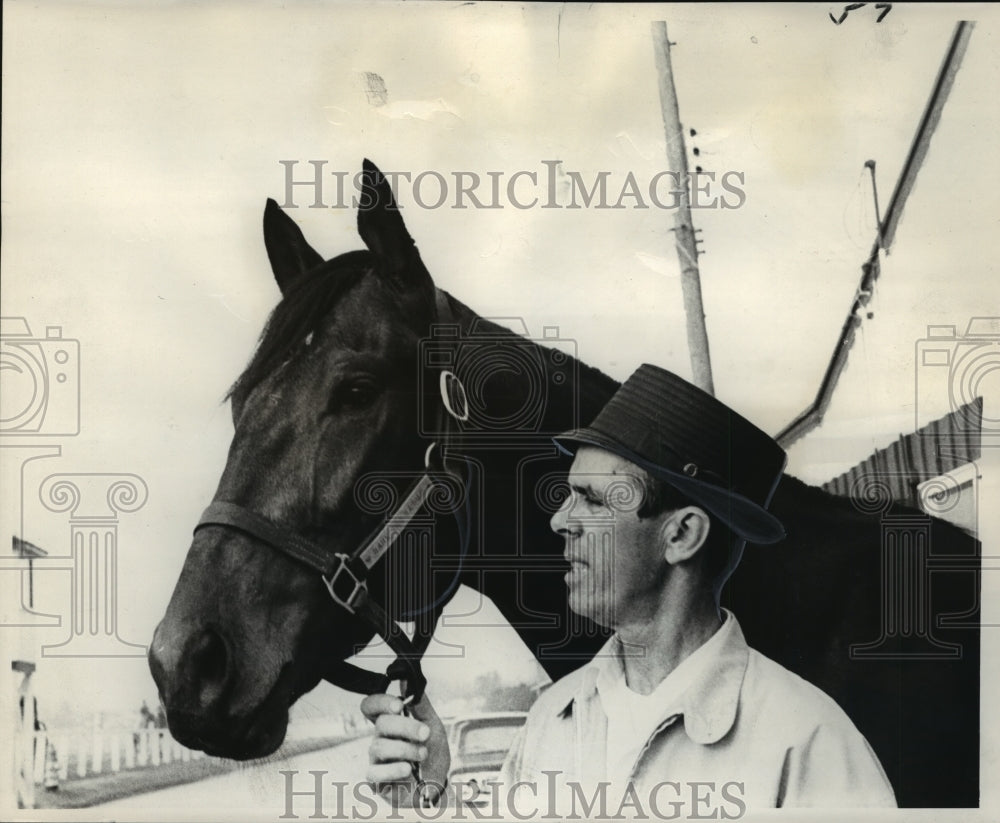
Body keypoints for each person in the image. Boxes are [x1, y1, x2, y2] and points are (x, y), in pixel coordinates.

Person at [363, 364, 896, 814]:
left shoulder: (808, 742)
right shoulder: (553, 718)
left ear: (682, 534)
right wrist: (429, 799)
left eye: (592, 500)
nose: (558, 521)